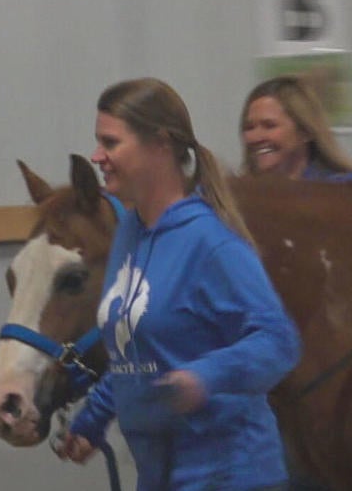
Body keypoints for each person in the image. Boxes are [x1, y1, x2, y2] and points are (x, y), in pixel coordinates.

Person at [55, 77, 302, 491]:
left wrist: (206, 375)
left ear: (160, 145)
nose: (98, 156)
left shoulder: (211, 242)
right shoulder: (130, 234)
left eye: (111, 143)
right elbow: (138, 352)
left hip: (230, 475)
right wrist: (95, 418)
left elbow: (279, 341)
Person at [240, 75, 352, 180]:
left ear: (305, 131)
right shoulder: (235, 196)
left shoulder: (350, 190)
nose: (256, 137)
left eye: (269, 126)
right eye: (249, 127)